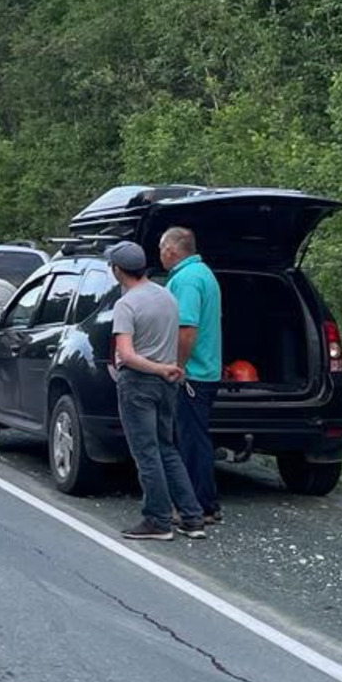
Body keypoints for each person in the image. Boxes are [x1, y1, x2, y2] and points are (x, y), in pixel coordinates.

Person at [106, 241, 204, 540]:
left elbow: (127, 355)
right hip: (168, 383)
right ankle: (192, 517)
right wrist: (169, 368)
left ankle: (157, 520)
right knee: (166, 447)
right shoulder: (167, 296)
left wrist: (157, 368)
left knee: (146, 452)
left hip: (139, 382)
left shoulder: (126, 305)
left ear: (118, 270)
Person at [161, 226, 224, 525]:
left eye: (161, 249)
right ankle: (204, 502)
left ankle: (200, 506)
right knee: (193, 438)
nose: (160, 255)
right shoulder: (202, 273)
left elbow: (186, 328)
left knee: (191, 441)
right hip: (205, 369)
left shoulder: (187, 280)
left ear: (171, 250)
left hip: (193, 374)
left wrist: (177, 367)